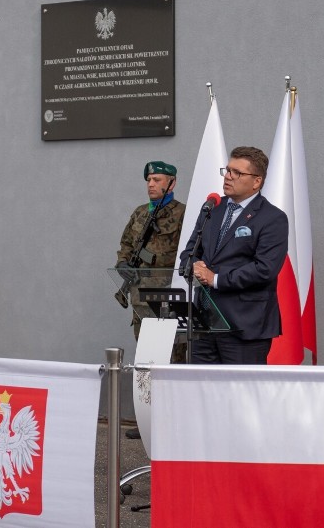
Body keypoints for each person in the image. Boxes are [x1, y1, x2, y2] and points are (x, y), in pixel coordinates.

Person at [180, 146, 288, 364]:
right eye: (227, 170)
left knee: (239, 396)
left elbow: (264, 269)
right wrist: (193, 266)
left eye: (237, 173)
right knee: (200, 392)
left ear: (256, 181)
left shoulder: (272, 218)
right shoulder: (212, 208)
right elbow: (190, 251)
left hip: (244, 326)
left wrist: (216, 279)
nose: (228, 177)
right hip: (204, 322)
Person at [116, 161, 185, 439]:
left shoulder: (182, 214)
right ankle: (147, 420)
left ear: (172, 183)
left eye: (157, 179)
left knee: (173, 361)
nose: (151, 184)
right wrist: (122, 264)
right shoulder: (139, 213)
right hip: (140, 300)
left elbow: (186, 252)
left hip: (167, 300)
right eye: (149, 180)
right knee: (146, 361)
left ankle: (175, 420)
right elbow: (125, 246)